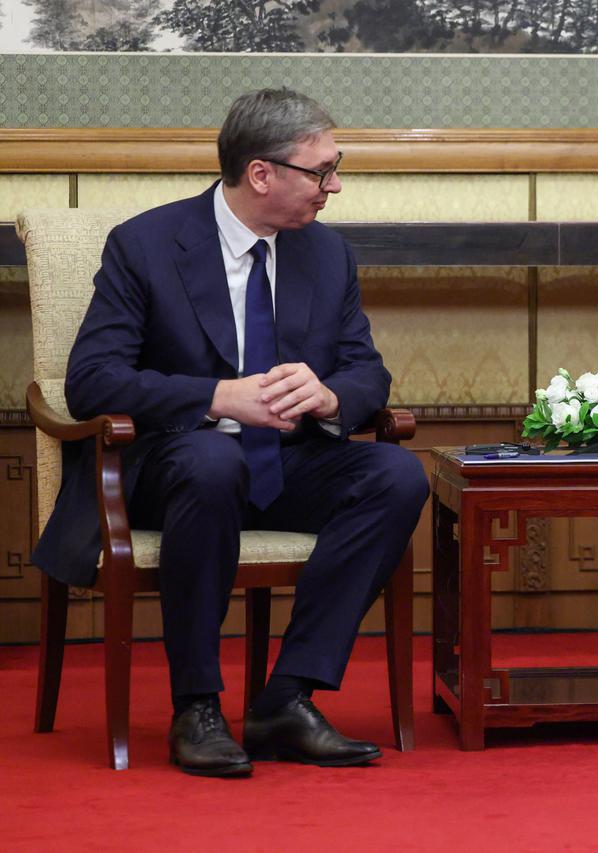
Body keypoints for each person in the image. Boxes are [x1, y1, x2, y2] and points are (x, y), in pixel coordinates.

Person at [32, 88, 430, 776]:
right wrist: (218, 396)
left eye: (335, 169)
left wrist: (331, 394)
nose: (334, 186)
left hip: (287, 461)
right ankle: (197, 707)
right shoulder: (147, 245)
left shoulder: (326, 254)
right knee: (214, 461)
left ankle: (287, 697)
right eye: (322, 171)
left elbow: (367, 370)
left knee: (396, 475)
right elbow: (92, 380)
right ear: (261, 173)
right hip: (174, 469)